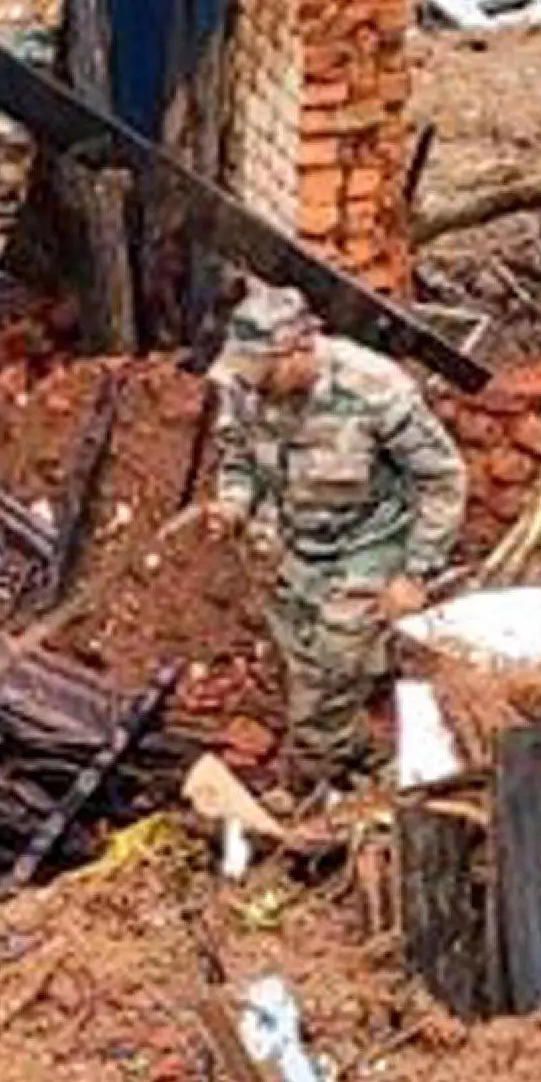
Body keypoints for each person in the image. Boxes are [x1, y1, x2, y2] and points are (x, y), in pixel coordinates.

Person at [175, 279, 470, 788]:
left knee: (335, 659)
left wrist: (417, 573)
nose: (254, 386)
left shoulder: (374, 388)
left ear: (298, 351)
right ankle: (352, 748)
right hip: (293, 541)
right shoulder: (246, 389)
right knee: (304, 661)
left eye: (265, 373)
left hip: (371, 542)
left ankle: (320, 774)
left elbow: (443, 478)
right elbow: (239, 459)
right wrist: (234, 505)